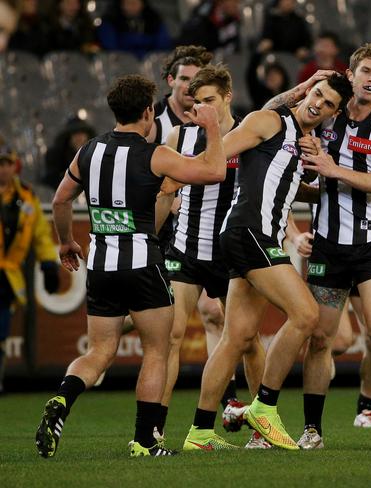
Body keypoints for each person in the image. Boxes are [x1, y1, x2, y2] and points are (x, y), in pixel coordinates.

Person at [35, 74, 227, 458]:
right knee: (156, 352)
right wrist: (212, 128)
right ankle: (144, 441)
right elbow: (215, 171)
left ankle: (62, 398)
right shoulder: (154, 153)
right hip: (143, 263)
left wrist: (66, 242)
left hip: (102, 264)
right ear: (147, 112)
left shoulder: (88, 151)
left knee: (99, 352)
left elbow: (59, 201)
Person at [181, 71, 353, 451]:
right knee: (307, 315)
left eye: (328, 104)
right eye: (317, 94)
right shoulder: (270, 120)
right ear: (306, 90)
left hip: (253, 237)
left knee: (236, 338)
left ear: (333, 114)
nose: (318, 104)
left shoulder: (303, 143)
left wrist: (327, 174)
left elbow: (286, 186)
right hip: (248, 234)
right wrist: (177, 175)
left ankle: (199, 433)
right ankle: (265, 406)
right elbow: (217, 155)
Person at [267, 43, 371, 449]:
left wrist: (332, 170)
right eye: (365, 71)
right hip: (328, 245)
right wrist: (304, 89)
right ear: (349, 75)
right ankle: (312, 428)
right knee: (320, 338)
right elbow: (271, 113)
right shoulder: (326, 115)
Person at [155, 64, 267, 448]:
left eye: (209, 101)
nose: (201, 108)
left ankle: (261, 427)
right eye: (196, 102)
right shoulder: (177, 135)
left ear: (227, 98)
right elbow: (164, 191)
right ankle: (155, 431)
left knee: (248, 339)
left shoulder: (247, 136)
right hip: (185, 250)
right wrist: (155, 230)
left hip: (230, 254)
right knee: (168, 337)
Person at [291, 193, 371, 429]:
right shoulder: (319, 159)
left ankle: (367, 408)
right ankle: (313, 424)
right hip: (329, 249)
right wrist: (295, 237)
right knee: (338, 341)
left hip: (369, 251)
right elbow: (284, 197)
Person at [0, 139, 60, 395]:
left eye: (6, 164)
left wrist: (48, 263)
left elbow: (41, 235)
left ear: (15, 166)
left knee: (1, 331)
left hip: (7, 276)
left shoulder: (26, 197)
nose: (3, 169)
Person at [97, 0, 171, 59]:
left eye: (135, 2)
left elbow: (163, 46)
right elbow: (111, 49)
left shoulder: (154, 20)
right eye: (128, 3)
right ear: (121, 4)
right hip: (121, 66)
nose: (132, 6)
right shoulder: (111, 21)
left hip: (149, 65)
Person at [43, 117, 97, 190]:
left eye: (82, 132)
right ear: (69, 137)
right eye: (75, 133)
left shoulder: (95, 154)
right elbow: (52, 180)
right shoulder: (56, 156)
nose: (79, 137)